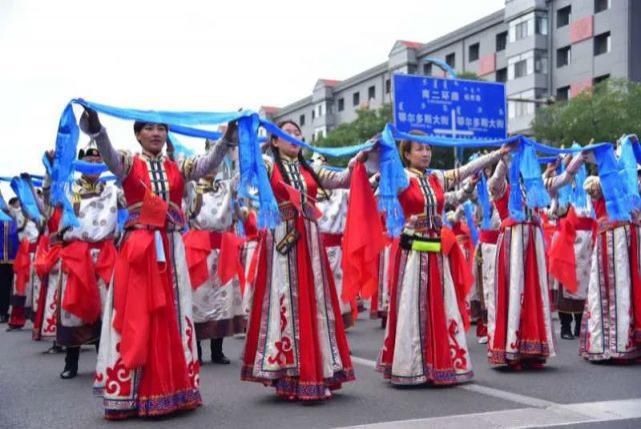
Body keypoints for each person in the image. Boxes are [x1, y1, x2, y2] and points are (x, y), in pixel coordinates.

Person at [81, 107, 236, 419]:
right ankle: (132, 393)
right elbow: (108, 154)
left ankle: (174, 390)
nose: (156, 134)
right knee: (138, 315)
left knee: (174, 314)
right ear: (138, 134)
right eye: (149, 129)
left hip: (171, 246)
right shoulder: (128, 162)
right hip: (139, 250)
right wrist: (97, 130)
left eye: (161, 129)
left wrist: (227, 139)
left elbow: (210, 163)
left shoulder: (178, 165)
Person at [241, 120, 363, 401]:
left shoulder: (310, 170)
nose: (294, 138)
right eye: (287, 134)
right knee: (286, 299)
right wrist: (245, 132)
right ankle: (289, 373)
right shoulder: (269, 167)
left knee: (315, 299)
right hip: (283, 238)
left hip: (309, 238)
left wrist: (359, 158)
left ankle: (318, 368)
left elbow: (343, 179)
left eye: (298, 134)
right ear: (274, 141)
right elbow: (249, 166)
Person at [377, 135, 509, 386]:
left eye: (427, 148)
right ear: (406, 154)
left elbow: (465, 171)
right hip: (413, 250)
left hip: (436, 250)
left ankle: (441, 363)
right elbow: (379, 195)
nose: (425, 153)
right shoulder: (402, 178)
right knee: (412, 305)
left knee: (441, 303)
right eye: (419, 149)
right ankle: (412, 365)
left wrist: (498, 153)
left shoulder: (436, 177)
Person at [487, 153, 582, 369]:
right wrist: (504, 157)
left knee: (533, 294)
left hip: (534, 243)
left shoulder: (536, 188)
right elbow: (495, 180)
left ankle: (532, 349)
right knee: (514, 293)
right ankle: (512, 349)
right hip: (512, 243)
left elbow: (564, 179)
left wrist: (580, 158)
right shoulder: (502, 188)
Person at [51, 142, 124, 379]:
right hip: (77, 256)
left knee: (106, 308)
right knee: (75, 310)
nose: (93, 164)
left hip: (104, 254)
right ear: (80, 165)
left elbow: (135, 194)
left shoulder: (113, 190)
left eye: (97, 161)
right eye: (88, 161)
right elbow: (50, 196)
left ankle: (104, 361)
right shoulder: (69, 189)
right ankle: (70, 362)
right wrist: (53, 165)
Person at [184, 152, 245, 365]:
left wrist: (253, 148)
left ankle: (217, 350)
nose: (211, 168)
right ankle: (197, 350)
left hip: (223, 248)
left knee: (222, 298)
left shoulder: (227, 187)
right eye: (206, 164)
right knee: (198, 299)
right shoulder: (190, 188)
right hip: (198, 249)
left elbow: (243, 173)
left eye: (214, 164)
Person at [580, 153, 641, 362]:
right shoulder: (596, 183)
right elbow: (591, 189)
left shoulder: (628, 183)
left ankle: (625, 341)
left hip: (625, 239)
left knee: (625, 288)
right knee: (608, 290)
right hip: (608, 239)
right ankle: (607, 344)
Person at [0, 196, 19, 324]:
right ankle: (3, 312)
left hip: (16, 259)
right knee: (3, 287)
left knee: (15, 287)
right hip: (1, 259)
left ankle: (12, 313)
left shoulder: (17, 219)